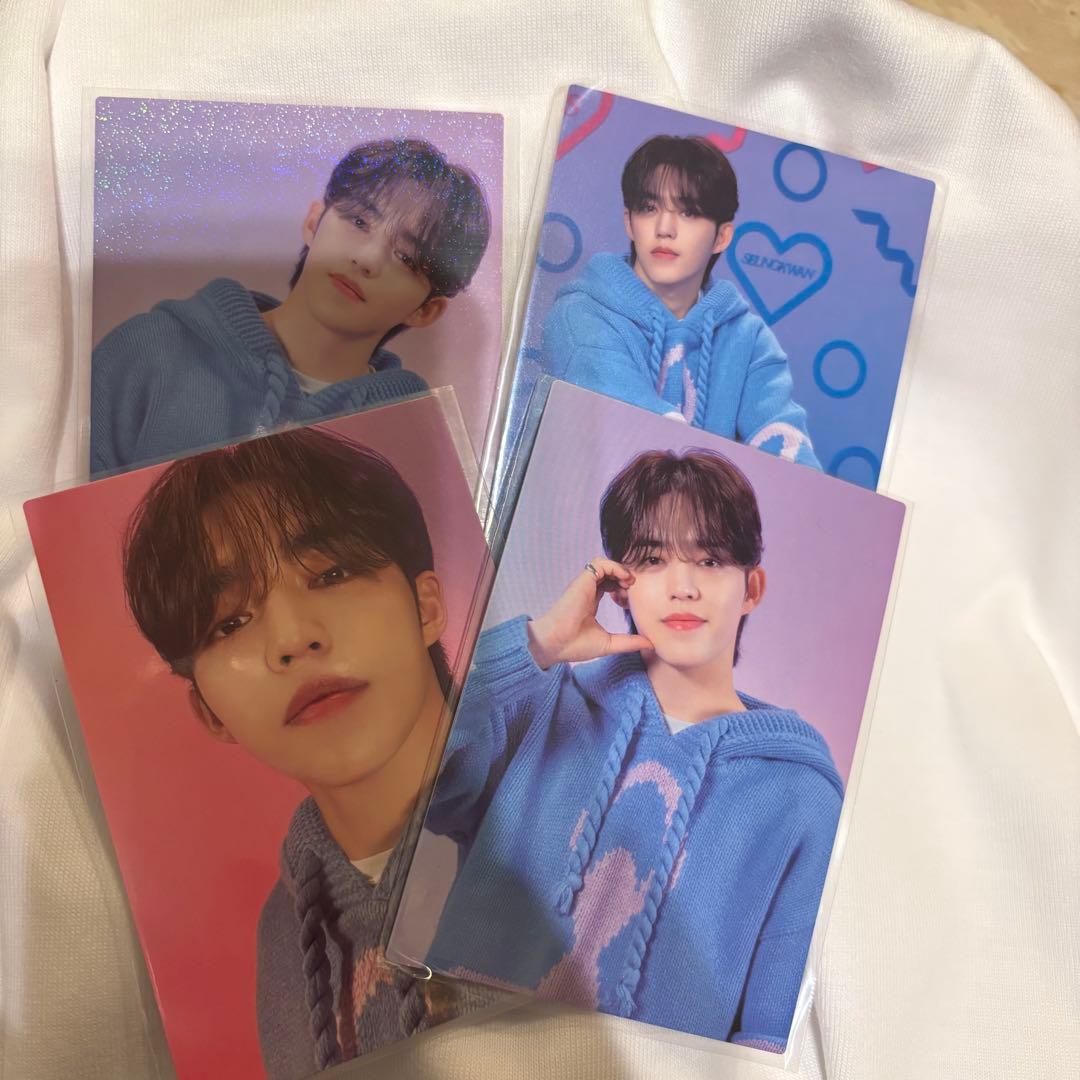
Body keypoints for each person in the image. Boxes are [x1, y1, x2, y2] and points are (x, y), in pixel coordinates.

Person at [424, 448, 841, 1051]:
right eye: (652, 559)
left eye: (710, 559)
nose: (683, 587)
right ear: (619, 586)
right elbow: (417, 782)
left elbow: (772, 1038)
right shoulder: (540, 706)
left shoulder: (801, 792)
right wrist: (540, 644)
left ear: (751, 588)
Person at [121, 426, 492, 1078]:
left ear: (426, 605)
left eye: (331, 573)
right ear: (210, 713)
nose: (292, 639)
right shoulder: (284, 934)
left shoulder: (592, 802)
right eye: (230, 621)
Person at [92, 138, 491, 476]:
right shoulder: (149, 349)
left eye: (405, 258)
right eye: (358, 221)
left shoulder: (418, 443)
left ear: (426, 311)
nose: (367, 259)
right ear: (314, 222)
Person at [542, 135, 819, 469]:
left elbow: (788, 454)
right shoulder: (578, 317)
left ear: (722, 237)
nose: (664, 228)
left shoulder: (749, 340)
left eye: (688, 212)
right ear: (629, 222)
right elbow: (636, 438)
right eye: (649, 208)